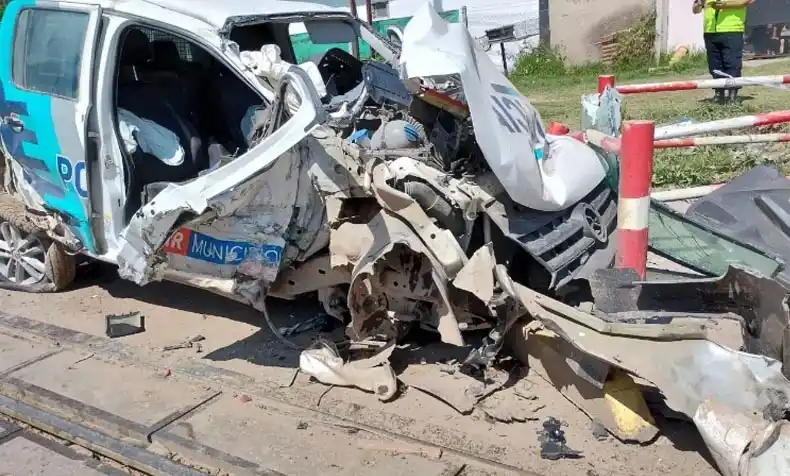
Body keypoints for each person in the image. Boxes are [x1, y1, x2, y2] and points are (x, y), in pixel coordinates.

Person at [693, 0, 755, 103]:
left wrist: (724, 6)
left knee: (732, 63)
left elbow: (746, 2)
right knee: (714, 65)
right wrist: (699, 3)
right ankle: (719, 93)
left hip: (732, 29)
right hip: (710, 31)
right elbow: (695, 10)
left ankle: (732, 94)